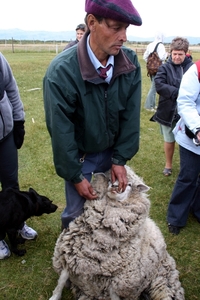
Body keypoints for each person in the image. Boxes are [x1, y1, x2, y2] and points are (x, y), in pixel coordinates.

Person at [43, 0, 142, 230]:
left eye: (126, 29)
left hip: (113, 152)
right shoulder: (61, 72)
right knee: (77, 214)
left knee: (113, 211)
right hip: (81, 157)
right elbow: (61, 130)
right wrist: (75, 175)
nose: (124, 36)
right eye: (116, 27)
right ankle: (71, 255)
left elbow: (130, 114)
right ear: (92, 22)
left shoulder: (129, 62)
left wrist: (120, 159)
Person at [0, 53, 37, 259]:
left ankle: (18, 222)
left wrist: (19, 121)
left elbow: (11, 88)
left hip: (4, 133)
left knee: (11, 184)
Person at [167, 62, 200, 235]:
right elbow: (185, 102)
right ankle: (176, 217)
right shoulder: (196, 71)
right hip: (192, 135)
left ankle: (197, 208)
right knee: (188, 176)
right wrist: (198, 128)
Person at [152, 37, 193, 176]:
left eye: (180, 54)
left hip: (187, 111)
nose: (176, 57)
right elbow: (159, 85)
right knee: (169, 139)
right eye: (174, 53)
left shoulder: (192, 68)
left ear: (186, 53)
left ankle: (186, 165)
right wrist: (178, 92)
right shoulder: (164, 67)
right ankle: (168, 165)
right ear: (171, 52)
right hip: (167, 110)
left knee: (187, 140)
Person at [143, 32, 167, 111]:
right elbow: (162, 57)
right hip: (159, 69)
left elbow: (145, 57)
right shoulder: (161, 46)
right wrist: (166, 54)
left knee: (153, 86)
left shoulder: (150, 45)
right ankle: (148, 106)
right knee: (154, 87)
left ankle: (152, 105)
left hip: (151, 69)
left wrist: (151, 64)